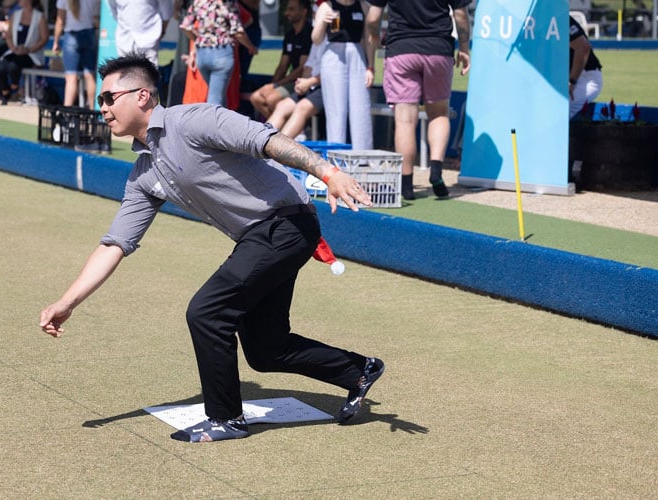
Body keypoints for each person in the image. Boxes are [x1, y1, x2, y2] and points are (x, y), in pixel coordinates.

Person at [39, 54, 385, 443]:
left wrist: (328, 172)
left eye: (108, 97)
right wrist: (67, 302)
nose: (101, 107)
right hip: (262, 236)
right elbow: (115, 244)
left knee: (208, 311)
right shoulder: (143, 175)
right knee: (265, 348)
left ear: (141, 96)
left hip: (286, 223)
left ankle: (226, 418)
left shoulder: (194, 120)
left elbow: (267, 140)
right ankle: (357, 370)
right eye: (100, 100)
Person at [365, 0, 470, 200]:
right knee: (439, 114)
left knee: (405, 120)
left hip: (401, 49)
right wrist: (464, 47)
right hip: (438, 49)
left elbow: (372, 18)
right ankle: (436, 170)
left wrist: (374, 35)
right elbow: (462, 16)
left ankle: (406, 185)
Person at [312, 0, 373, 149]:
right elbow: (316, 39)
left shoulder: (364, 6)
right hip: (333, 54)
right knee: (336, 110)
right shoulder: (327, 6)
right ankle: (336, 155)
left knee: (361, 108)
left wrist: (370, 66)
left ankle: (363, 156)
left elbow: (368, 39)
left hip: (357, 54)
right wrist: (322, 23)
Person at [179, 0, 257, 106]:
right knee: (216, 99)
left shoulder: (199, 2)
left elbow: (185, 26)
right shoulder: (229, 3)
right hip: (222, 52)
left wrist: (198, 40)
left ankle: (221, 121)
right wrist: (250, 46)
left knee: (218, 94)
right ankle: (213, 122)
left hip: (202, 55)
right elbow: (238, 32)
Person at [249, 0, 311, 120]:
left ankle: (293, 129)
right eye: (287, 9)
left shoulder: (309, 34)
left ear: (303, 12)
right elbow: (283, 66)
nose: (286, 13)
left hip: (305, 82)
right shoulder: (289, 35)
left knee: (272, 99)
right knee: (255, 97)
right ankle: (283, 131)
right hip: (291, 81)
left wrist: (276, 85)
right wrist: (271, 85)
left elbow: (301, 70)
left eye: (291, 9)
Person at [0, 0, 46, 104]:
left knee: (13, 67)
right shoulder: (15, 15)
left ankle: (15, 89)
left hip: (31, 54)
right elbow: (9, 36)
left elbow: (44, 38)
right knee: (0, 68)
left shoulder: (39, 17)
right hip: (15, 51)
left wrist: (29, 49)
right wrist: (13, 48)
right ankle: (6, 92)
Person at [52, 0, 99, 108]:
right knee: (90, 75)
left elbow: (60, 21)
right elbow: (95, 17)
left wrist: (56, 41)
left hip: (71, 35)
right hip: (89, 34)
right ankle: (93, 110)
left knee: (71, 77)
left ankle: (67, 111)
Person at [106, 0, 172, 67]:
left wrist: (162, 31)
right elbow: (113, 10)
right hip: (124, 39)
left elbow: (166, 10)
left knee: (149, 73)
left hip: (149, 37)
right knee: (124, 72)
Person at [569, 14, 602, 120]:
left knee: (557, 108)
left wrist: (571, 82)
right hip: (568, 76)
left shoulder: (560, 17)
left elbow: (583, 48)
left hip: (585, 77)